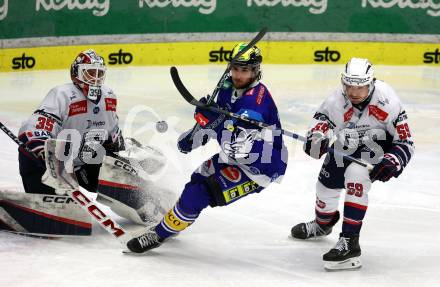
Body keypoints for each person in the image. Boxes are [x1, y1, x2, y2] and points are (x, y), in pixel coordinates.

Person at [126, 43, 288, 253]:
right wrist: (196, 135)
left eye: (245, 70)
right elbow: (219, 122)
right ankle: (172, 224)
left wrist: (212, 121)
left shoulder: (255, 104)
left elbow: (237, 147)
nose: (238, 75)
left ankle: (158, 235)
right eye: (235, 68)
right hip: (235, 156)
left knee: (200, 194)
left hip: (259, 166)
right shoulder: (227, 87)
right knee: (196, 183)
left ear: (256, 71)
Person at [291, 58, 415, 270]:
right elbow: (322, 122)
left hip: (377, 147)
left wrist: (393, 160)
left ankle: (350, 242)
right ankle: (322, 225)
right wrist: (316, 139)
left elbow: (406, 142)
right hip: (347, 143)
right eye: (350, 86)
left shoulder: (388, 101)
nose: (354, 92)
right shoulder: (336, 100)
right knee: (325, 187)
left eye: (361, 87)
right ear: (343, 83)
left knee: (357, 176)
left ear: (371, 83)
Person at [18, 49, 125, 196]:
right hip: (48, 166)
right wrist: (46, 153)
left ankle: (137, 200)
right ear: (76, 73)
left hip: (81, 167)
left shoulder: (108, 96)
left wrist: (122, 158)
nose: (95, 78)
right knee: (31, 154)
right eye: (90, 72)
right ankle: (48, 200)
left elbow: (112, 138)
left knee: (116, 166)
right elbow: (31, 130)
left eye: (99, 73)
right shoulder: (63, 94)